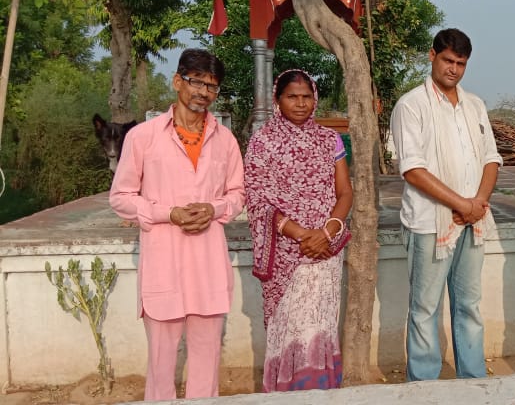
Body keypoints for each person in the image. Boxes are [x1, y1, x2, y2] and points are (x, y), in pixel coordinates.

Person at [109, 49, 244, 400]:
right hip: (163, 265)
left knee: (206, 360)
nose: (203, 92)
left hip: (208, 266)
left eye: (212, 86)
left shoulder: (225, 140)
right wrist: (168, 213)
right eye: (196, 82)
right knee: (161, 363)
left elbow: (237, 194)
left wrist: (213, 209)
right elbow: (120, 197)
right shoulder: (143, 137)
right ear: (177, 81)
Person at [390, 28, 502, 381]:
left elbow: (491, 158)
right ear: (432, 56)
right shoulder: (411, 105)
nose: (453, 69)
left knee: (469, 306)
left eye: (461, 63)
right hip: (429, 222)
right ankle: (423, 386)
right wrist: (461, 204)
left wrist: (477, 203)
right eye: (448, 60)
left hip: (473, 220)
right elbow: (412, 169)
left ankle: (472, 381)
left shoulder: (475, 104)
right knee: (424, 308)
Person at [244, 69, 353, 391]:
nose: (301, 103)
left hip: (325, 251)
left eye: (306, 97)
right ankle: (287, 392)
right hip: (286, 252)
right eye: (292, 96)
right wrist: (302, 234)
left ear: (315, 99)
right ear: (278, 100)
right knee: (290, 326)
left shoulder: (329, 139)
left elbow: (345, 191)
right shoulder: (263, 141)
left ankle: (321, 389)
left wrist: (327, 231)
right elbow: (256, 198)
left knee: (321, 323)